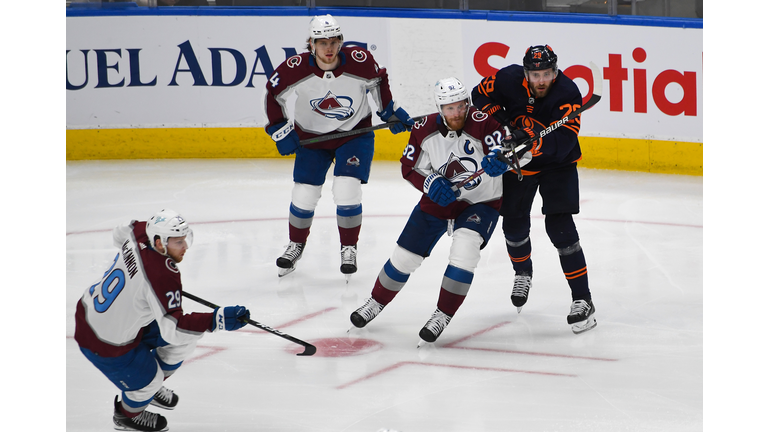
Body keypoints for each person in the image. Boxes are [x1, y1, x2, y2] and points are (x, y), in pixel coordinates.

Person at [349, 77, 525, 344]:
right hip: (438, 202)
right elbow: (410, 167)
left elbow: (521, 153)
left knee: (465, 252)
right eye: (449, 108)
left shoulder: (485, 123)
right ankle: (375, 302)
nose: (456, 113)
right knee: (404, 258)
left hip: (481, 202)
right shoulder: (423, 129)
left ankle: (442, 314)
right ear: (439, 108)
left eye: (460, 106)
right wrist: (430, 182)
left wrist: (504, 160)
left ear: (467, 103)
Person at [264, 14, 414, 279]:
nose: (329, 48)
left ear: (341, 41)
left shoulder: (360, 61)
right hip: (312, 137)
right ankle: (296, 245)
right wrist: (279, 128)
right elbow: (274, 95)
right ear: (311, 44)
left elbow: (378, 81)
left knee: (347, 190)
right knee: (304, 194)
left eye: (334, 41)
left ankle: (348, 247)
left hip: (354, 134)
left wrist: (389, 111)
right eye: (322, 43)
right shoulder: (294, 67)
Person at [74, 209, 251, 431]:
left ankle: (147, 384)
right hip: (103, 342)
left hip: (91, 311)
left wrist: (137, 276)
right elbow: (173, 329)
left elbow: (120, 234)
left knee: (184, 342)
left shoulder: (140, 232)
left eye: (185, 239)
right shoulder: (162, 275)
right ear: (158, 242)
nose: (185, 246)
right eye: (178, 242)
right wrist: (218, 319)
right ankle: (127, 416)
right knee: (152, 379)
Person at [470, 44, 597, 334]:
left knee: (561, 229)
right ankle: (522, 272)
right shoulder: (507, 79)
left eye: (547, 73)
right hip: (518, 166)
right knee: (513, 226)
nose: (541, 80)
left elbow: (562, 143)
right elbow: (479, 95)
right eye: (535, 74)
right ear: (526, 72)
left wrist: (531, 140)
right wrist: (502, 123)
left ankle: (583, 299)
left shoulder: (567, 94)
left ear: (556, 71)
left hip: (558, 165)